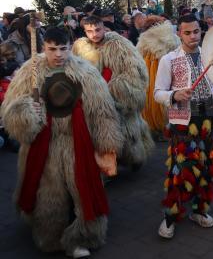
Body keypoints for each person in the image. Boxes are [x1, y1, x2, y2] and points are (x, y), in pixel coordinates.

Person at [1, 27, 123, 258]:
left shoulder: (86, 73)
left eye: (63, 48)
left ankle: (82, 237)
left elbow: (102, 111)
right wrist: (28, 110)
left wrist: (106, 143)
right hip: (43, 146)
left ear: (70, 47)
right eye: (52, 49)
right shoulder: (31, 72)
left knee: (81, 189)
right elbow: (9, 111)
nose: (58, 54)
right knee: (49, 193)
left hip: (79, 143)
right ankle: (51, 236)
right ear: (45, 47)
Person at [154, 14, 213, 239]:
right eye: (187, 32)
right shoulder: (168, 60)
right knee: (180, 168)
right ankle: (170, 216)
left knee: (205, 167)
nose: (193, 36)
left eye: (196, 31)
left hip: (209, 120)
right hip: (183, 122)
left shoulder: (211, 56)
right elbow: (158, 93)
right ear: (179, 34)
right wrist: (175, 94)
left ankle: (199, 210)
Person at [73, 15, 153, 170]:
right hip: (93, 100)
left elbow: (135, 69)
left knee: (127, 134)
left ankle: (133, 157)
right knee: (99, 136)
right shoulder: (79, 48)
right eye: (89, 31)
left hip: (118, 96)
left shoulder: (120, 44)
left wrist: (118, 89)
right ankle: (105, 167)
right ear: (84, 31)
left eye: (97, 29)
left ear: (103, 28)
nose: (94, 34)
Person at [136, 15, 180, 138]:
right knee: (169, 99)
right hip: (168, 72)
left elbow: (138, 57)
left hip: (149, 74)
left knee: (151, 101)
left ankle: (153, 128)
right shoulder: (172, 38)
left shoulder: (143, 40)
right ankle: (169, 127)